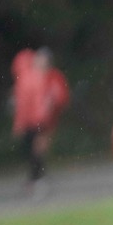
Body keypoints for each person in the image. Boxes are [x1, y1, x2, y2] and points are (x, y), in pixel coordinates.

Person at [10, 47, 69, 199]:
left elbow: (61, 97)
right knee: (31, 151)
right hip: (30, 121)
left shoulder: (53, 77)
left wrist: (52, 101)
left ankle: (37, 179)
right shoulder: (28, 76)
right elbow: (22, 103)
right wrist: (19, 123)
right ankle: (35, 179)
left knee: (38, 151)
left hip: (45, 122)